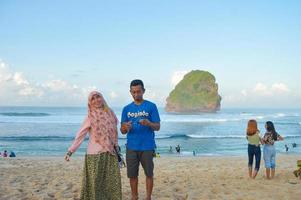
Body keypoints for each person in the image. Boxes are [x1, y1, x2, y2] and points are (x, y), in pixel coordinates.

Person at [65, 91, 122, 200]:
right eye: (93, 99)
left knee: (112, 183)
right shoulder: (90, 117)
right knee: (95, 184)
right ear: (90, 102)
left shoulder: (111, 113)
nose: (96, 100)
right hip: (95, 155)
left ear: (102, 98)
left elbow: (114, 130)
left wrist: (116, 147)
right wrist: (71, 151)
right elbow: (80, 135)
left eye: (98, 97)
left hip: (111, 153)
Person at [120, 79, 160, 200]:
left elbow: (157, 127)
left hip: (147, 146)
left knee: (149, 174)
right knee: (132, 175)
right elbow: (122, 131)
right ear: (130, 92)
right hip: (131, 147)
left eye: (139, 91)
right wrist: (125, 127)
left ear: (143, 91)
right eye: (134, 92)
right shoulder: (126, 109)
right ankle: (134, 196)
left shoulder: (151, 106)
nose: (136, 94)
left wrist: (149, 123)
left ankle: (148, 197)